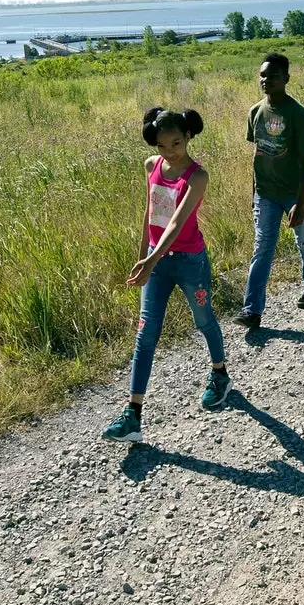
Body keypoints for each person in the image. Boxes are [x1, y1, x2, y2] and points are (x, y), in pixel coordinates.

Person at [102, 107, 229, 443]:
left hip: (189, 261)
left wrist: (151, 260)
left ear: (188, 137)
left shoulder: (197, 176)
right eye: (162, 145)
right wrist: (142, 255)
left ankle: (220, 374)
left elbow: (175, 222)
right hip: (156, 262)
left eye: (176, 143)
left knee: (204, 320)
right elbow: (151, 213)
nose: (170, 151)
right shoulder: (151, 166)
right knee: (146, 334)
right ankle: (133, 415)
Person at [234, 52, 304, 328]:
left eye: (273, 76)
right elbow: (257, 154)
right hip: (265, 194)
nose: (266, 80)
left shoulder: (297, 114)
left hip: (295, 191)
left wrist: (300, 201)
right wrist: (253, 194)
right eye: (263, 75)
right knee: (262, 247)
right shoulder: (255, 112)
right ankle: (252, 311)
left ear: (286, 78)